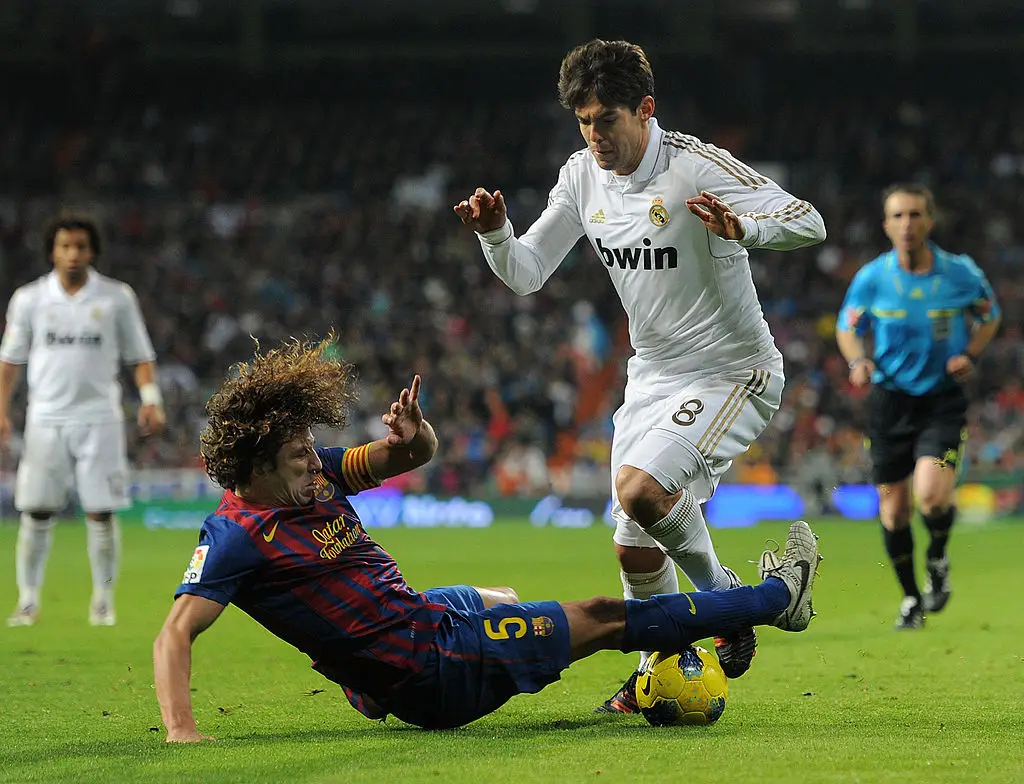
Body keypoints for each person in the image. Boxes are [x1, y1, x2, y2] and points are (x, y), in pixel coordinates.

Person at [153, 336, 821, 741]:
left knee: (498, 596)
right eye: (297, 456)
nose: (313, 461)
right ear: (255, 470)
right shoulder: (237, 536)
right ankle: (776, 598)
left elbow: (406, 460)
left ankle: (368, 685)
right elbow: (175, 634)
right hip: (432, 670)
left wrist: (413, 439)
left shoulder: (319, 476)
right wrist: (181, 731)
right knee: (603, 617)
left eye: (309, 448)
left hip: (419, 620)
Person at [453, 38, 826, 710]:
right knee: (634, 550)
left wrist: (746, 228)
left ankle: (728, 601)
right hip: (651, 378)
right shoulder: (579, 177)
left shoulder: (693, 167)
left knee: (641, 492)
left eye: (606, 120)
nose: (594, 135)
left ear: (645, 110)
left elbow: (809, 220)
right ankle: (657, 672)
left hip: (731, 370)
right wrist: (496, 233)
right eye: (584, 122)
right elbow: (526, 273)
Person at [836, 183, 1001, 630]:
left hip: (941, 398)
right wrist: (857, 360)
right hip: (889, 402)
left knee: (930, 495)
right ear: (886, 225)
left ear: (930, 221)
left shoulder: (960, 274)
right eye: (898, 216)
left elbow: (989, 314)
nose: (907, 224)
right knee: (894, 511)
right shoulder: (872, 278)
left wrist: (972, 355)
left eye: (914, 215)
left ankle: (938, 554)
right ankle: (911, 599)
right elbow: (847, 326)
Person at [0, 215, 165, 627]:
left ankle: (103, 600)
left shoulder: (115, 298)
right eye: (65, 246)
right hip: (45, 418)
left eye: (80, 247)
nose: (73, 254)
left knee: (101, 512)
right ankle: (28, 600)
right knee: (35, 512)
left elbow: (139, 356)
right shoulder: (30, 299)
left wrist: (150, 399)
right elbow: (10, 361)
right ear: (52, 251)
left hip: (100, 418)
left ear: (93, 252)